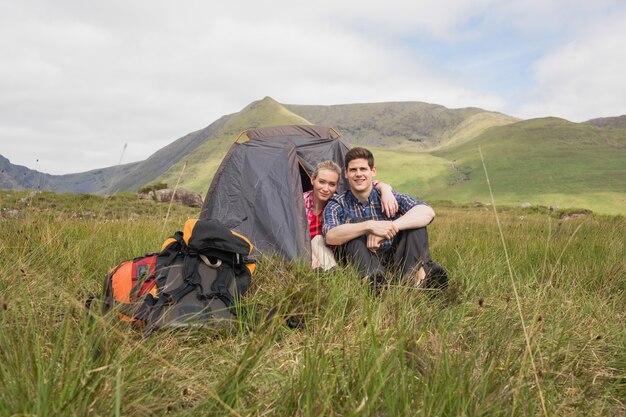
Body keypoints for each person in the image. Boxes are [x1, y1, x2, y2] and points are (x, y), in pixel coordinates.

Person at [323, 147, 446, 289]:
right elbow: (330, 236)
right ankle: (373, 281)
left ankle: (411, 278)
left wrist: (392, 226)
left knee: (415, 224)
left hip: (396, 257)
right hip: (363, 258)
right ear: (346, 173)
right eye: (353, 170)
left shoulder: (389, 197)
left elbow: (427, 212)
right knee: (355, 224)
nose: (358, 174)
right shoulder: (338, 202)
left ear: (373, 171)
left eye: (363, 169)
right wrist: (368, 226)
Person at [304, 160, 397, 271]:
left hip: (338, 252)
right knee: (316, 240)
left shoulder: (337, 203)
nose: (326, 188)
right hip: (307, 251)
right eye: (322, 182)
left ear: (337, 186)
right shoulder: (300, 203)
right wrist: (310, 256)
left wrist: (385, 189)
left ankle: (333, 272)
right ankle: (332, 273)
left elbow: (368, 185)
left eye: (332, 184)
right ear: (312, 180)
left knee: (320, 239)